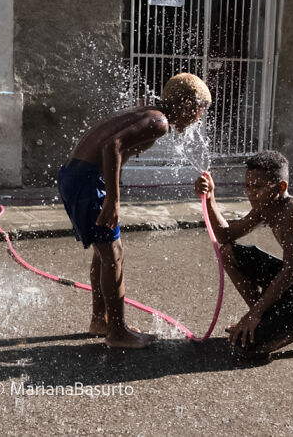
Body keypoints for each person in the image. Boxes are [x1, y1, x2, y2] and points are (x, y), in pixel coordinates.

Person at [58, 73, 212, 349]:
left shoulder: (150, 113)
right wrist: (113, 201)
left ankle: (101, 320)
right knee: (113, 254)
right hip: (87, 179)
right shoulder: (159, 121)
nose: (198, 120)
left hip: (78, 175)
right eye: (200, 110)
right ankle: (117, 332)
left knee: (104, 251)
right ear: (189, 104)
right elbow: (111, 146)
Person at [194, 150, 293, 359]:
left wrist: (253, 315)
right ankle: (267, 321)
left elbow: (291, 271)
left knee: (245, 348)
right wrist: (210, 199)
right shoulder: (265, 206)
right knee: (227, 252)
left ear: (281, 187)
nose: (250, 193)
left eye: (258, 187)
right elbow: (226, 235)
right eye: (247, 186)